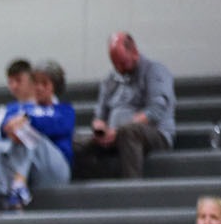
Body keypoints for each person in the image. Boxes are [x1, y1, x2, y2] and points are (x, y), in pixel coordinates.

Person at [74, 32, 175, 180]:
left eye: (122, 62)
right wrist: (100, 131)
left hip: (154, 134)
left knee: (129, 132)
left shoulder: (155, 70)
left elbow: (155, 110)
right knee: (77, 142)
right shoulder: (110, 79)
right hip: (114, 136)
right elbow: (99, 116)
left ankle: (131, 191)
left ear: (134, 52)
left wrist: (118, 131)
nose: (119, 68)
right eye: (115, 64)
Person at [0, 60, 74, 209]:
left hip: (57, 170)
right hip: (35, 169)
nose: (39, 88)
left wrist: (25, 122)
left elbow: (52, 125)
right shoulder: (25, 109)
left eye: (44, 83)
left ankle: (19, 183)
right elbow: (3, 129)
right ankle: (5, 190)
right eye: (36, 83)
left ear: (54, 86)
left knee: (29, 133)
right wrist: (9, 128)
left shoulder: (64, 110)